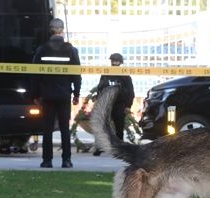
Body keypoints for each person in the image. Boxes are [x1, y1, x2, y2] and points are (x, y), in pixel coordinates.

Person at [31, 18, 81, 169]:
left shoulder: (42, 49)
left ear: (50, 30)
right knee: (65, 128)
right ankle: (66, 160)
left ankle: (47, 161)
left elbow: (35, 74)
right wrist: (76, 94)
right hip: (64, 94)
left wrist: (35, 95)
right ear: (62, 30)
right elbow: (76, 74)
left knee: (47, 129)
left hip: (47, 95)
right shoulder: (71, 50)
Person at [93, 53, 135, 156]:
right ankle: (100, 147)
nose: (115, 63)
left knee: (119, 128)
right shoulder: (106, 74)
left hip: (119, 104)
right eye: (113, 61)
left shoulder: (125, 76)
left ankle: (119, 149)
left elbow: (130, 92)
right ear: (111, 61)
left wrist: (128, 106)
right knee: (103, 127)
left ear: (120, 62)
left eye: (117, 61)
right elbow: (100, 88)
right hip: (106, 104)